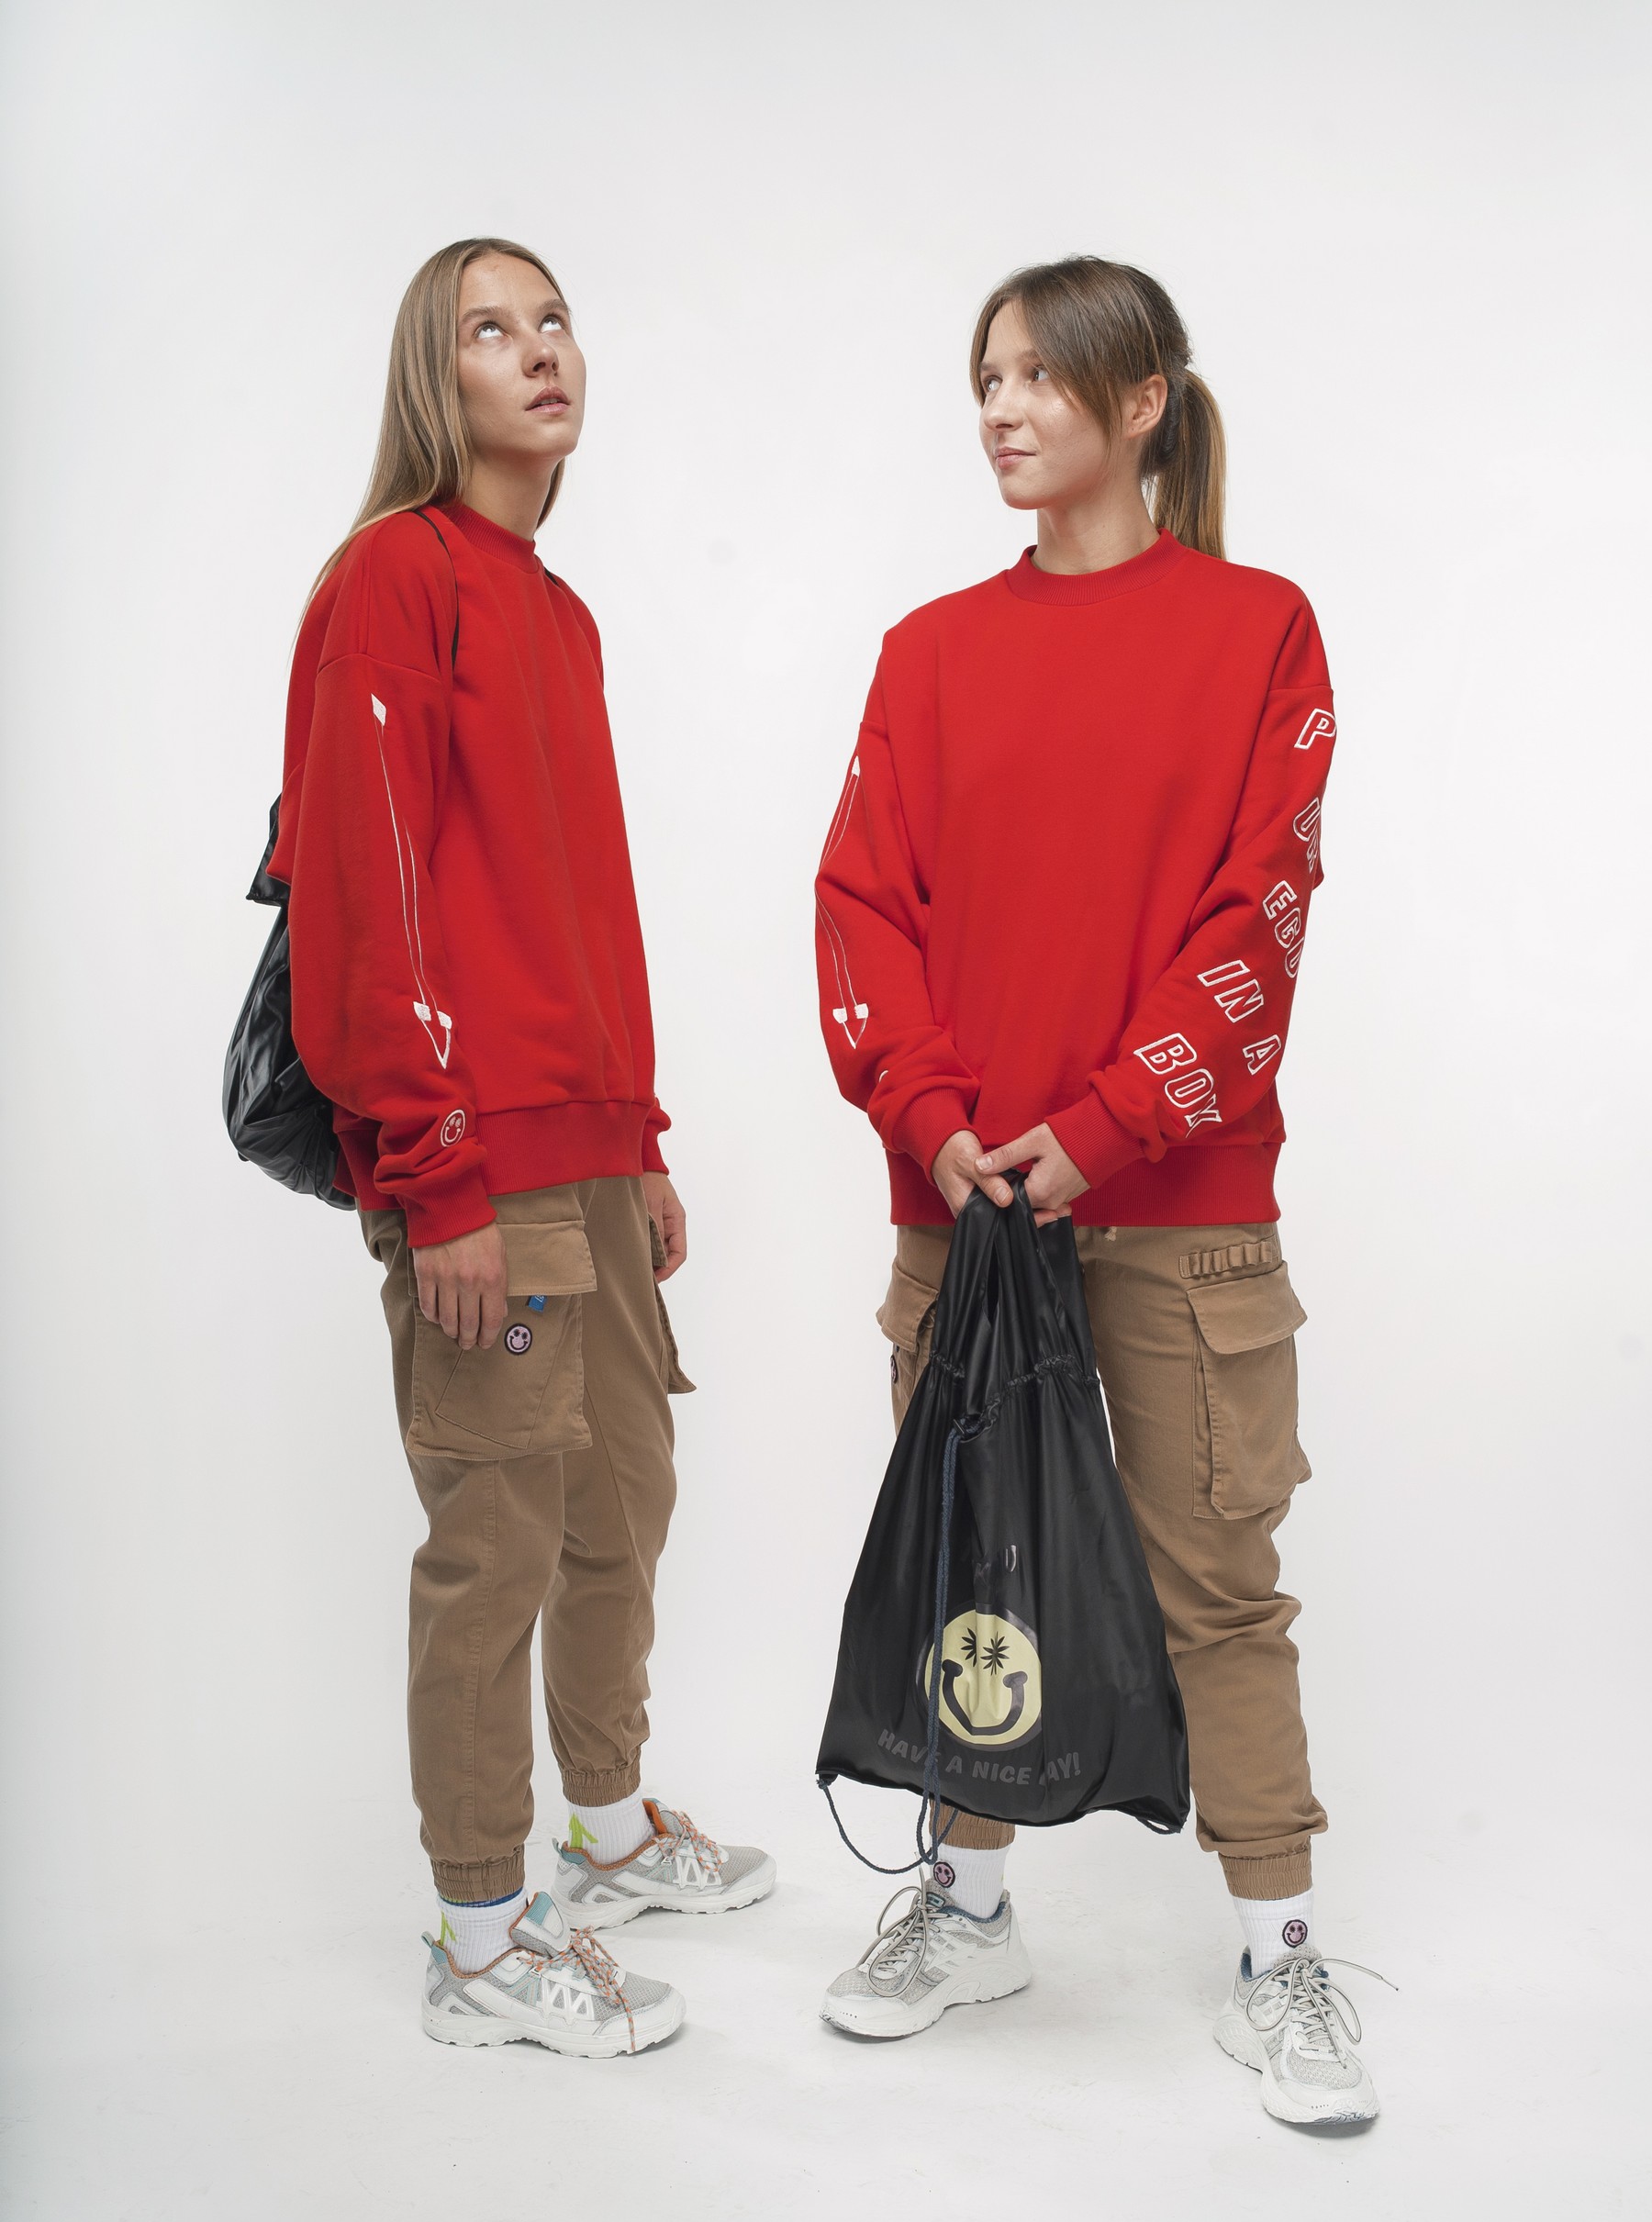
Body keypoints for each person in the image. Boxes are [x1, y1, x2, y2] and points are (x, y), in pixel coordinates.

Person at [813, 256, 1381, 2124]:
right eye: (984, 376)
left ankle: (1281, 1960)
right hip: (969, 1206)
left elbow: (1262, 911)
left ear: (1141, 402)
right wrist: (935, 1114)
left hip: (1184, 1209)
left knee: (1217, 1583)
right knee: (974, 1563)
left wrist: (1116, 1119)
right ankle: (966, 1907)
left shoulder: (1260, 630)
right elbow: (861, 907)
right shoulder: (927, 651)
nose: (999, 407)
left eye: (1039, 376)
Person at [274, 237, 774, 2059]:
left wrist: (637, 1137)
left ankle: (609, 1829)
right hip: (473, 1160)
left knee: (621, 1502)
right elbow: (368, 894)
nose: (539, 348)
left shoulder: (557, 614)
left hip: (588, 1157)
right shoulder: (392, 580)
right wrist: (434, 1174)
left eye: (554, 318)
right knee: (497, 1538)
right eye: (491, 329)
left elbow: (582, 906)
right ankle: (482, 1939)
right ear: (439, 379)